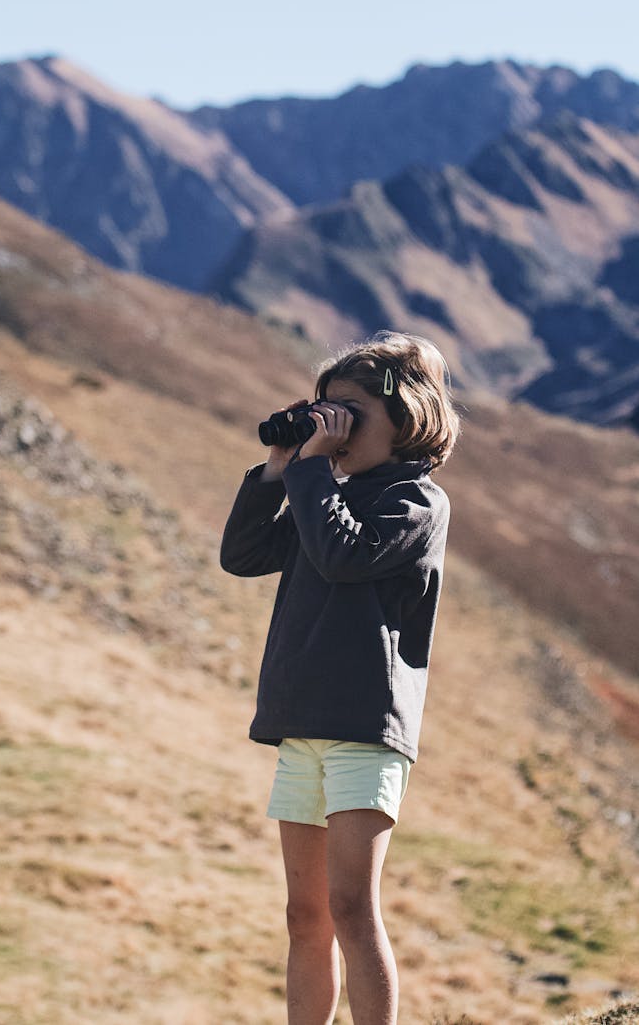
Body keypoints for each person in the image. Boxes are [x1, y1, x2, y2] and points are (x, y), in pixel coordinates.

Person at [220, 331, 460, 1025]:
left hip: (363, 727)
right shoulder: (325, 489)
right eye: (324, 409)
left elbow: (343, 557)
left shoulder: (415, 502)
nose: (332, 425)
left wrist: (313, 473)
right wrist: (278, 464)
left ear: (408, 417)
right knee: (306, 914)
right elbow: (243, 553)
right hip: (303, 725)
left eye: (349, 412)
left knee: (352, 907)